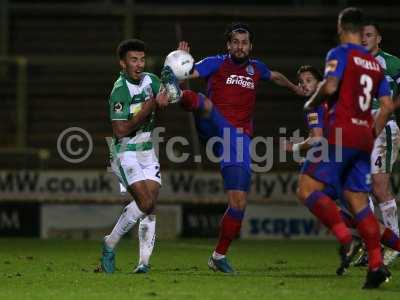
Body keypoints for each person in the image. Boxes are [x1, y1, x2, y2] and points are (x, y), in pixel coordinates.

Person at [162, 22, 304, 273]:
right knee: (203, 102)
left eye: (244, 43)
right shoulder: (216, 62)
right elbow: (192, 71)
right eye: (235, 42)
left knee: (238, 203)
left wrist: (294, 87)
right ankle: (177, 93)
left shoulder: (256, 68)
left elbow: (276, 76)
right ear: (228, 45)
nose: (240, 47)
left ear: (250, 46)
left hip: (237, 141)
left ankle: (218, 256)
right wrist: (179, 63)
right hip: (213, 127)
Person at [299, 7, 394, 289]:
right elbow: (387, 106)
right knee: (358, 202)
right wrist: (371, 132)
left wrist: (311, 102)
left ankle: (343, 237)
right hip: (364, 138)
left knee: (306, 189)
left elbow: (329, 86)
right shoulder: (376, 66)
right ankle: (376, 264)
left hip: (339, 134)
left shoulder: (340, 53)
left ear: (341, 27)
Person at [100, 39, 169, 274]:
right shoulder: (120, 90)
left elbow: (171, 93)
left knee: (149, 207)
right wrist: (151, 105)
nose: (139, 64)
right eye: (133, 60)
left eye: (142, 59)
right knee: (146, 203)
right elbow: (120, 130)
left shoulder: (151, 79)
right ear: (122, 63)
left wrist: (177, 70)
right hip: (124, 151)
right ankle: (110, 243)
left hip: (147, 150)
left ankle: (143, 264)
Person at [361, 22, 400, 266]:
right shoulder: (355, 63)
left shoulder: (393, 63)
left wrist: (388, 110)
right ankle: (372, 243)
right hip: (359, 127)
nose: (364, 39)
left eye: (369, 35)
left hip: (383, 126)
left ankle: (394, 242)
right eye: (361, 35)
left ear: (379, 39)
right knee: (361, 188)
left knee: (379, 183)